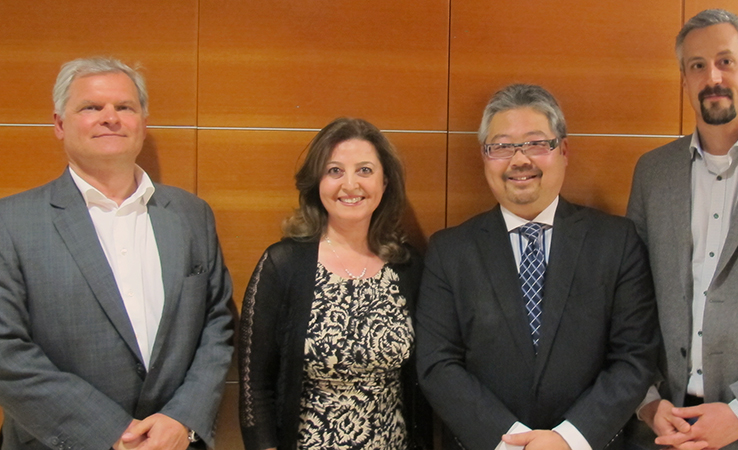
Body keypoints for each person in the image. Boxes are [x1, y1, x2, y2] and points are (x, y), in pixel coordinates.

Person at [0, 57, 234, 450]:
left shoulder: (192, 215)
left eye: (124, 107)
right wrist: (112, 433)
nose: (110, 118)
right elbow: (6, 349)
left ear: (143, 122)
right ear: (59, 124)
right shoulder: (10, 222)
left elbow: (218, 323)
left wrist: (183, 417)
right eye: (91, 107)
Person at [415, 83, 660, 450]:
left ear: (563, 150)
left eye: (535, 143)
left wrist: (567, 440)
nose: (519, 160)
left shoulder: (616, 241)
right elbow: (437, 365)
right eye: (501, 146)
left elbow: (634, 357)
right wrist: (510, 443)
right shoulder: (449, 251)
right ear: (484, 157)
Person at [625, 9, 738, 450]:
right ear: (684, 79)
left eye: (726, 61)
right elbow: (629, 299)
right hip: (665, 428)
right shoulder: (653, 173)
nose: (712, 76)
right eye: (697, 66)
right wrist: (646, 400)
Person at [238, 117, 430, 450]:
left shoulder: (408, 267)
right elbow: (255, 386)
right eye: (335, 171)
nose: (350, 184)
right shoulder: (283, 264)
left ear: (385, 184)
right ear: (317, 184)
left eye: (365, 170)